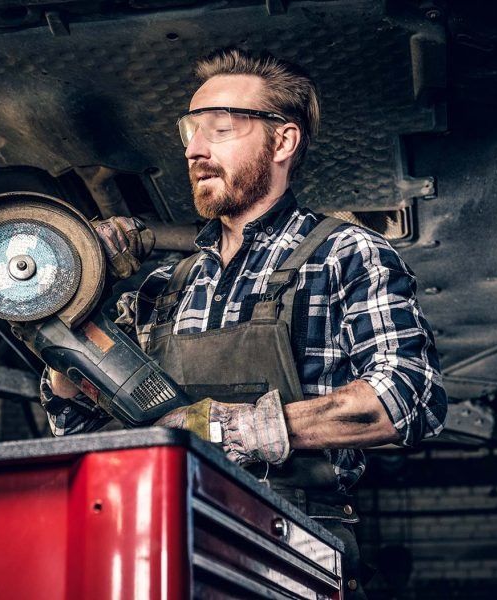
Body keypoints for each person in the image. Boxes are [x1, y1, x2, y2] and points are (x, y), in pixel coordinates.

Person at [40, 48, 447, 598]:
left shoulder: (343, 253)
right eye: (191, 130)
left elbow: (410, 398)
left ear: (283, 141)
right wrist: (72, 313)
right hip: (156, 541)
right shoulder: (163, 285)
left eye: (221, 128)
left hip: (293, 544)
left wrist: (231, 430)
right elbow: (80, 432)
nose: (194, 148)